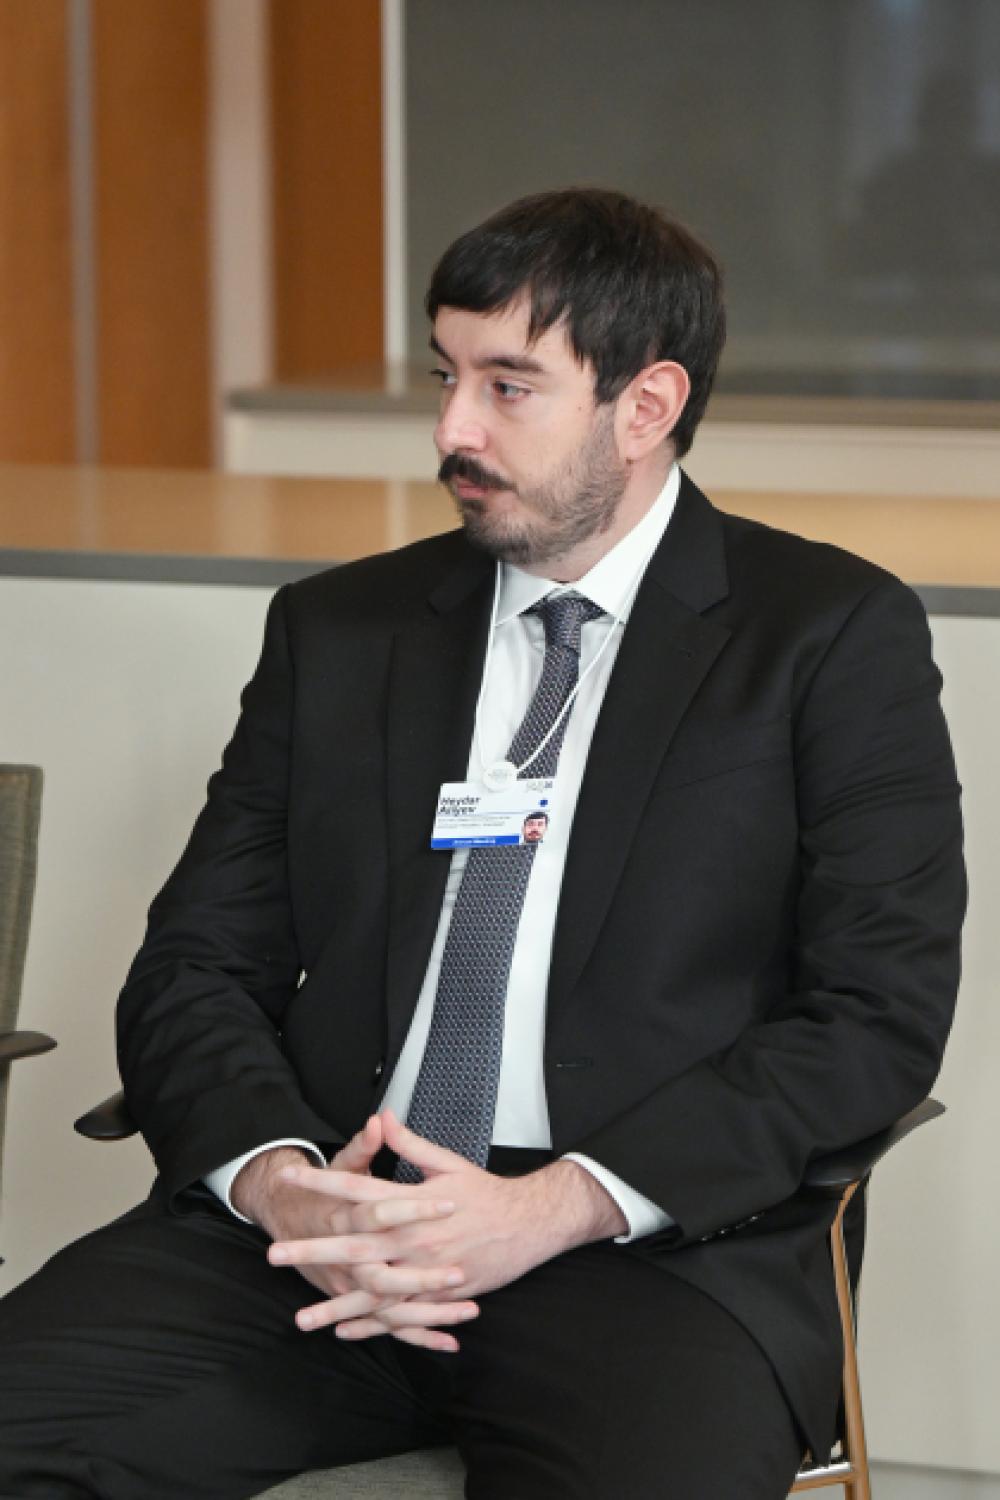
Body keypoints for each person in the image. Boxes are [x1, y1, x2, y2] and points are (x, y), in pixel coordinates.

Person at [0, 189, 964, 1500]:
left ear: (646, 403)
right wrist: (282, 1183)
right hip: (331, 1226)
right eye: (446, 378)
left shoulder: (826, 636)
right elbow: (194, 969)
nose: (453, 430)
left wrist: (555, 1204)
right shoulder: (341, 631)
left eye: (509, 387)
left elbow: (874, 1014)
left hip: (641, 1256)